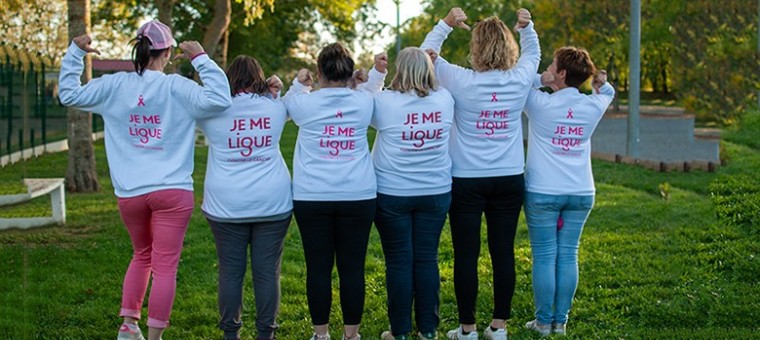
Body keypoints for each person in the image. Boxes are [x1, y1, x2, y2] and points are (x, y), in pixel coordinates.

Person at [58, 19, 231, 340]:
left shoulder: (114, 85)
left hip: (131, 193)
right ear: (167, 54)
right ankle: (154, 336)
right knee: (165, 267)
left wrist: (74, 55)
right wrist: (201, 59)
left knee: (142, 255)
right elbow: (221, 99)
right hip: (173, 191)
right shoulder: (177, 87)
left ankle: (128, 326)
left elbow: (68, 95)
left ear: (139, 50)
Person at [420, 7, 539, 340]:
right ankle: (499, 327)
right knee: (503, 251)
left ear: (476, 47)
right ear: (509, 47)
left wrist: (445, 25)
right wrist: (526, 27)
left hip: (466, 181)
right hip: (509, 178)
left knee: (466, 254)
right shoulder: (520, 78)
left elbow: (426, 56)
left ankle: (468, 329)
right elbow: (534, 53)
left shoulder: (461, 79)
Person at [282, 43, 387, 340]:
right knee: (352, 268)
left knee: (318, 268)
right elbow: (371, 92)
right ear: (350, 72)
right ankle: (351, 335)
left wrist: (298, 82)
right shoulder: (362, 103)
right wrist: (370, 78)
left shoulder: (305, 104)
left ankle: (321, 334)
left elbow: (290, 101)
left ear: (318, 72)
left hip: (312, 196)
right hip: (358, 195)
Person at [196, 55, 291, 340]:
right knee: (267, 274)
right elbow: (280, 96)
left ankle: (230, 334)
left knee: (230, 271)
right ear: (259, 78)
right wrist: (275, 89)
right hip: (272, 202)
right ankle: (266, 334)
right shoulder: (275, 107)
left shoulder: (212, 111)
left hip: (226, 205)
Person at [522, 47, 614, 337]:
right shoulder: (593, 105)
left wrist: (541, 79)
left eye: (553, 65)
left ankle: (542, 322)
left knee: (545, 255)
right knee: (568, 254)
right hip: (581, 191)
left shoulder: (539, 103)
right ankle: (560, 323)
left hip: (543, 191)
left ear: (561, 73)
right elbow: (607, 92)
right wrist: (600, 83)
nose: (549, 68)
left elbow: (519, 85)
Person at [371, 47, 455, 340]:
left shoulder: (385, 102)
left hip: (393, 193)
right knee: (426, 259)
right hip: (435, 191)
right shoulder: (444, 99)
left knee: (399, 261)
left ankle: (400, 331)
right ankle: (428, 330)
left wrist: (376, 74)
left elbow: (364, 105)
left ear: (399, 70)